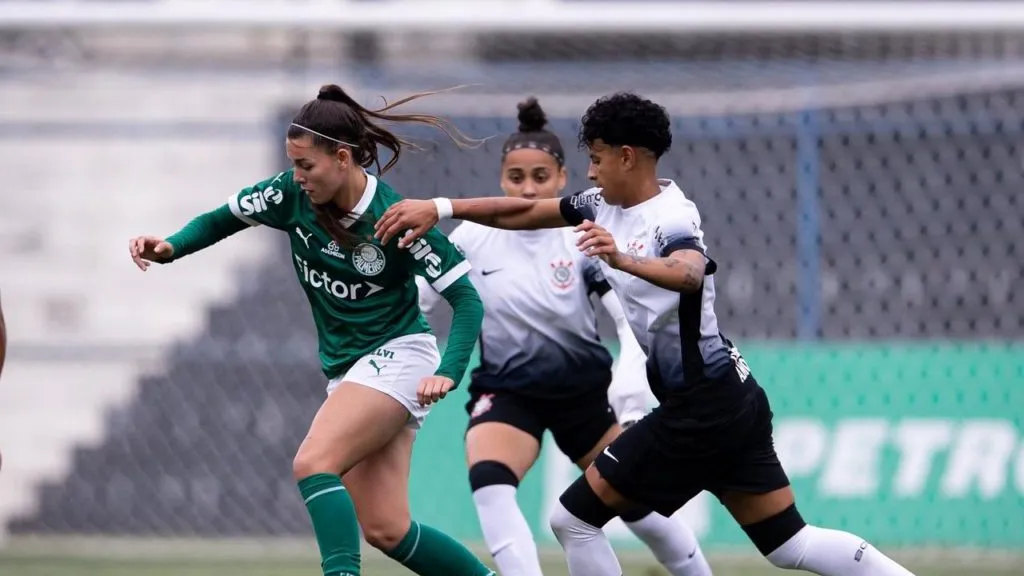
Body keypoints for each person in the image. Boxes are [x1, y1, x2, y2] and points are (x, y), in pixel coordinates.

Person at [374, 92, 918, 576]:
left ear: (625, 156)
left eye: (595, 158)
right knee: (788, 543)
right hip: (731, 394)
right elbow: (523, 212)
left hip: (699, 409)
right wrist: (441, 208)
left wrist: (622, 258)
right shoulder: (601, 205)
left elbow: (689, 270)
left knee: (573, 519)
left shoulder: (671, 216)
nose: (590, 172)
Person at [129, 85, 496, 576]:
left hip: (400, 357)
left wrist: (450, 371)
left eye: (306, 166)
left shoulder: (394, 219)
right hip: (351, 368)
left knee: (313, 462)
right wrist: (172, 246)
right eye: (294, 165)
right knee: (388, 529)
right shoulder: (289, 194)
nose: (297, 177)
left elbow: (467, 299)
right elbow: (223, 219)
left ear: (342, 158)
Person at [416, 97, 711, 576]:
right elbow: (420, 304)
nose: (529, 188)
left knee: (635, 504)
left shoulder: (584, 235)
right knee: (489, 479)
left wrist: (629, 380)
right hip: (506, 390)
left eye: (540, 177)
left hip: (582, 394)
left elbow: (628, 319)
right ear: (501, 180)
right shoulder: (470, 237)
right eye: (517, 178)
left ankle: (695, 570)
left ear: (561, 180)